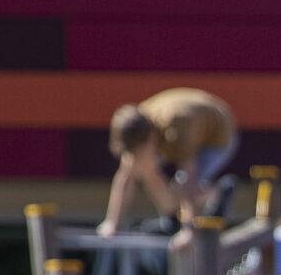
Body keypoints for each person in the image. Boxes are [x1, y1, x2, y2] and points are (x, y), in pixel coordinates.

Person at [100, 88, 239, 233]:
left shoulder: (176, 130)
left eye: (140, 153)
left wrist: (188, 231)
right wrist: (112, 223)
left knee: (181, 185)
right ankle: (172, 218)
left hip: (218, 134)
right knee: (144, 167)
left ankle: (217, 192)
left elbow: (189, 181)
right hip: (191, 121)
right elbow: (126, 176)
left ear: (150, 138)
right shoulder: (138, 124)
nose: (137, 158)